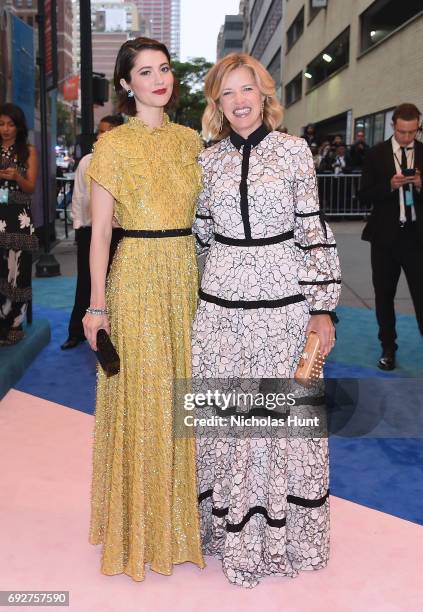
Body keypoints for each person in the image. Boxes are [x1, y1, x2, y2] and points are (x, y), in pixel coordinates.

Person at [192, 53, 341, 588]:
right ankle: (224, 533)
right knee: (228, 420)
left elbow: (313, 230)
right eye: (227, 93)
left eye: (246, 89)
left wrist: (322, 307)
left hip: (283, 304)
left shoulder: (295, 151)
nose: (238, 101)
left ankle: (281, 540)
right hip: (221, 308)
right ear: (218, 103)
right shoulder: (207, 161)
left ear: (264, 94)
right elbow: (201, 235)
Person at [82, 37, 204, 580]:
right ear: (127, 85)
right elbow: (100, 235)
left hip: (188, 276)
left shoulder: (193, 141)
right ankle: (142, 525)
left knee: (187, 396)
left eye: (165, 69)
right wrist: (96, 308)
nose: (160, 79)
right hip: (137, 279)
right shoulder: (113, 146)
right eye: (146, 72)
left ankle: (183, 521)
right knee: (148, 399)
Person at [360, 103, 423, 370]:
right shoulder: (376, 155)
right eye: (402, 131)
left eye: (412, 132)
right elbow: (362, 197)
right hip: (384, 239)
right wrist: (389, 185)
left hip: (417, 238)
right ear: (393, 126)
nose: (407, 137)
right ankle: (388, 348)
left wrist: (421, 185)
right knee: (384, 296)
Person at [61, 115, 124, 350]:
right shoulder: (87, 161)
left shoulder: (126, 163)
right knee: (85, 283)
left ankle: (113, 333)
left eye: (108, 131)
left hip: (119, 234)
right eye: (100, 131)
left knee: (115, 284)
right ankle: (75, 332)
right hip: (88, 231)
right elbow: (78, 197)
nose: (102, 135)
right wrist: (78, 226)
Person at [0, 103, 38, 345]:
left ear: (19, 126)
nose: (5, 129)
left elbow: (31, 187)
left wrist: (17, 177)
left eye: (10, 124)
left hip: (19, 218)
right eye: (1, 123)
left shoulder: (28, 151)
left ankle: (14, 325)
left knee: (18, 272)